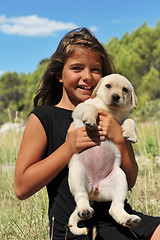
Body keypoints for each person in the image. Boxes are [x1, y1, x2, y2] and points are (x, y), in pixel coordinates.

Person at [15, 27, 160, 240]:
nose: (87, 77)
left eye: (95, 69)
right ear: (59, 74)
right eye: (76, 68)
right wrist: (69, 148)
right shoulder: (44, 116)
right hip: (74, 229)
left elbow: (129, 181)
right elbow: (21, 188)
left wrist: (119, 138)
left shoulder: (114, 117)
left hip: (120, 219)